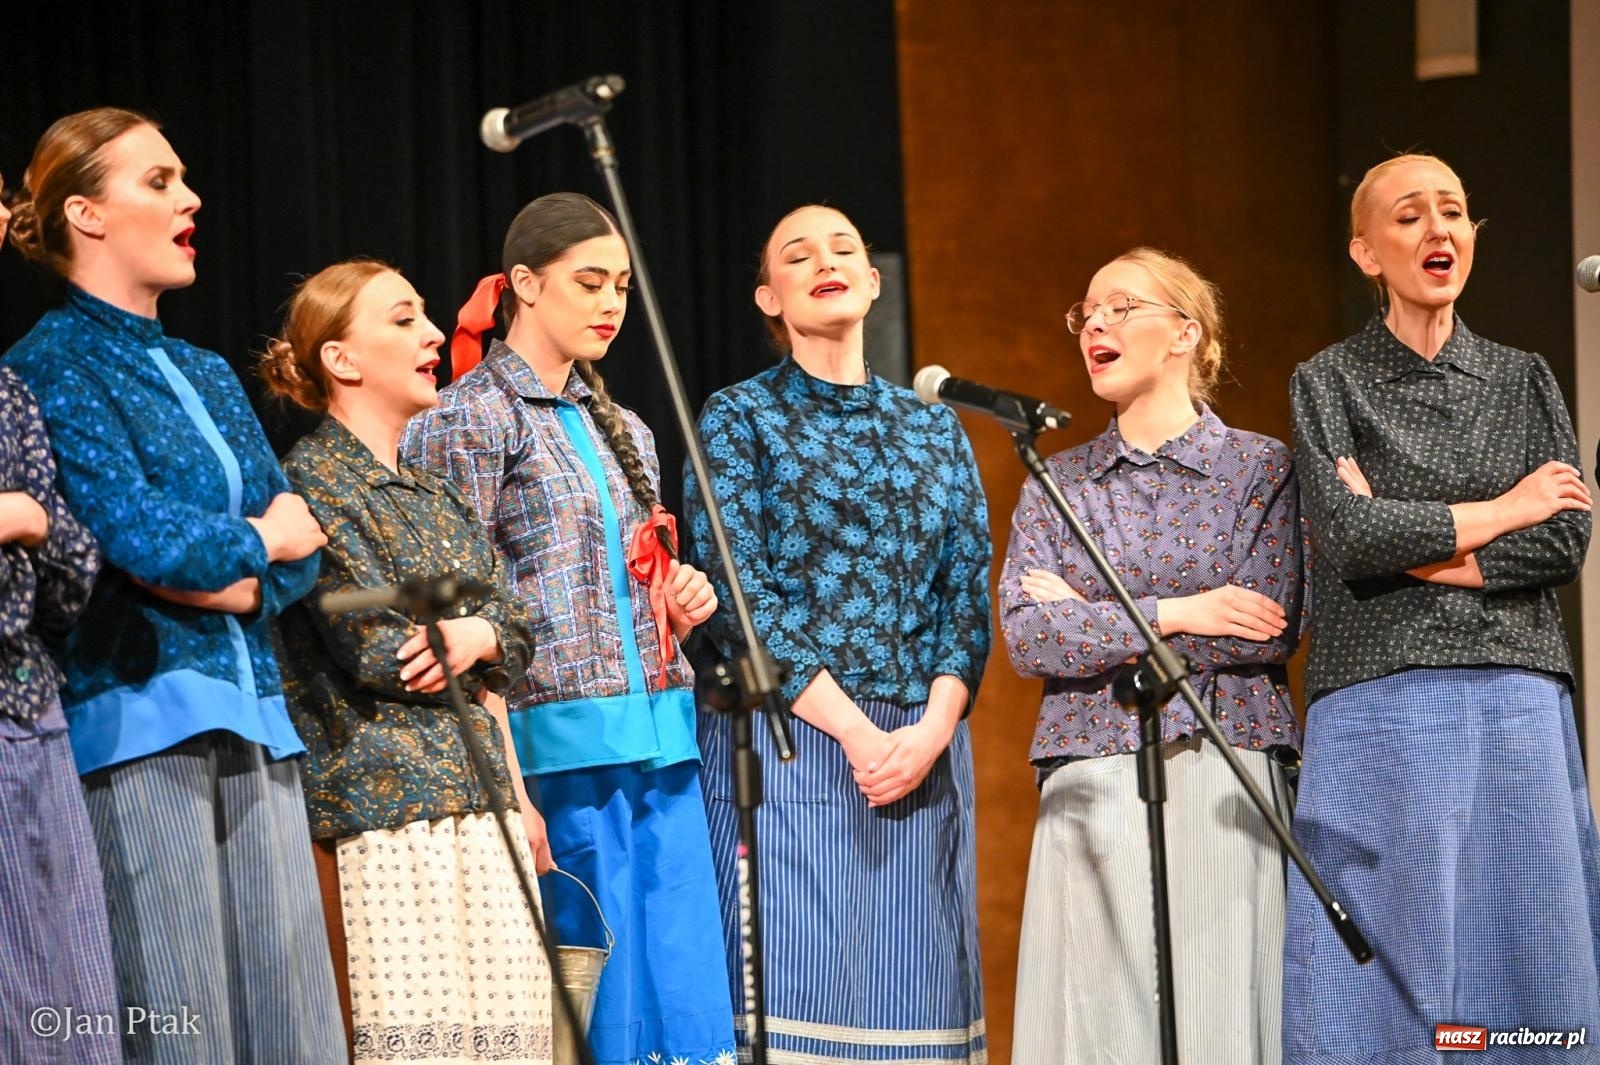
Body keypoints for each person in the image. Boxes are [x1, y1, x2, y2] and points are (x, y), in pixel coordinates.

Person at [4, 107, 342, 1063]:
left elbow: (306, 538)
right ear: (87, 213)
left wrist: (241, 574)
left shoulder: (203, 368)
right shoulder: (47, 363)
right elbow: (138, 539)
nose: (190, 198)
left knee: (297, 1033)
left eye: (184, 178)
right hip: (141, 723)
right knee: (182, 1023)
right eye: (157, 181)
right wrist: (251, 548)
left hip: (261, 718)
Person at [401, 192, 734, 1065]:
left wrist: (682, 595)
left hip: (662, 738)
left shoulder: (626, 428)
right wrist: (507, 783)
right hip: (555, 752)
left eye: (621, 284)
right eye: (589, 281)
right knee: (604, 1003)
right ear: (523, 284)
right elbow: (454, 608)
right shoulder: (465, 419)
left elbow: (627, 578)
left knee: (686, 991)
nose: (610, 302)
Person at [1285, 152, 1599, 1063]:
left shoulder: (1525, 376)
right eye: (1412, 216)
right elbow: (1347, 537)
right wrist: (1506, 508)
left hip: (1517, 687)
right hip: (1380, 691)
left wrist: (1407, 539)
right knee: (1390, 945)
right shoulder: (1329, 380)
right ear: (1366, 253)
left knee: (1526, 933)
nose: (1440, 231)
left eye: (1454, 212)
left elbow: (1563, 543)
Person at [682, 204, 990, 1062]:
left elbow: (964, 599)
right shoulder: (738, 418)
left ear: (874, 280)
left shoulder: (935, 424)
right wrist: (861, 734)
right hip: (792, 743)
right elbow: (744, 601)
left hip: (923, 757)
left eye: (844, 246)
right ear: (767, 297)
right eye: (797, 252)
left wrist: (928, 732)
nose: (826, 259)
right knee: (797, 1009)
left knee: (918, 1013)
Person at [999, 247, 1307, 1064]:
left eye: (1121, 306)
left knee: (1219, 1014)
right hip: (1091, 773)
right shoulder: (1058, 480)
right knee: (1099, 1021)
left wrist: (1095, 616)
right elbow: (1031, 636)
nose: (1095, 323)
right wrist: (1183, 609)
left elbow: (1267, 623)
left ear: (1184, 334)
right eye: (1086, 313)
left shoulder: (1260, 466)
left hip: (1225, 767)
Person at [263, 259, 552, 1064]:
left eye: (427, 317)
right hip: (389, 819)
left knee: (511, 1045)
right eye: (403, 319)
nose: (433, 335)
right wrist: (474, 632)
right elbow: (384, 649)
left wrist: (482, 637)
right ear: (342, 359)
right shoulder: (313, 483)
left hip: (482, 801)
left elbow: (516, 623)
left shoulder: (436, 492)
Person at [0, 171, 120, 1065]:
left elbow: (73, 562)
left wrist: (34, 521)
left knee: (66, 1000)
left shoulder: (6, 390)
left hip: (30, 710)